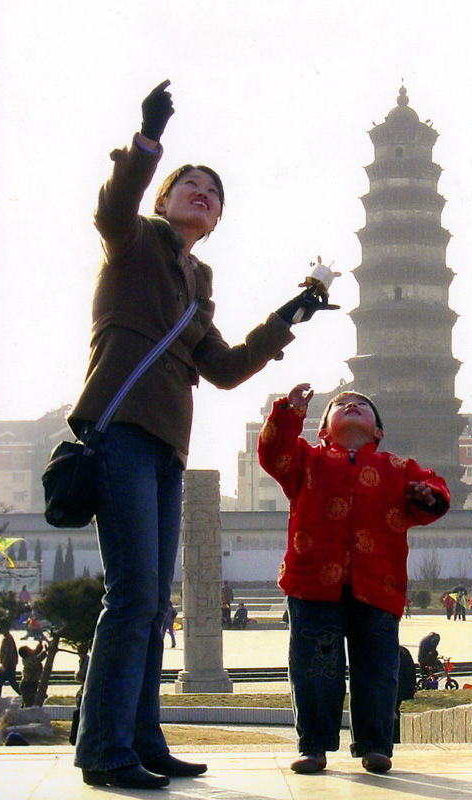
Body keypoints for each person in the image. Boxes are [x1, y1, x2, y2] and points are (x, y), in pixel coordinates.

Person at [69, 82, 331, 791]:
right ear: (163, 199)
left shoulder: (194, 283)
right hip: (120, 429)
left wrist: (289, 315)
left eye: (214, 192)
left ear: (215, 223)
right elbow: (110, 206)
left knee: (154, 606)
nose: (202, 192)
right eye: (189, 183)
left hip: (165, 447)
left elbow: (221, 368)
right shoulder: (134, 242)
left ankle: (142, 738)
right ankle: (103, 750)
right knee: (131, 597)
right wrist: (148, 139)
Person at [258, 384, 449, 774]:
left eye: (361, 405)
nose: (351, 406)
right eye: (341, 404)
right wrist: (287, 412)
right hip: (312, 585)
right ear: (324, 429)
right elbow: (272, 455)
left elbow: (433, 492)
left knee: (377, 670)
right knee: (313, 670)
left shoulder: (398, 470)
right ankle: (313, 744)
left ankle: (376, 743)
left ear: (377, 431)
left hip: (378, 585)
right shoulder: (306, 460)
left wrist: (426, 496)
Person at [0, 628, 21, 699]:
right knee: (13, 683)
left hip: (8, 666)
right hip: (10, 665)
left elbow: (8, 653)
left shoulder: (7, 639)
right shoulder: (8, 638)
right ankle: (24, 695)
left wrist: (4, 665)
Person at [18, 643, 47, 707]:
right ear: (27, 653)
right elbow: (37, 659)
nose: (32, 650)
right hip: (27, 684)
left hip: (31, 683)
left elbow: (35, 652)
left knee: (30, 701)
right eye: (29, 649)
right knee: (29, 702)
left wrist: (40, 646)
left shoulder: (30, 657)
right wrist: (45, 652)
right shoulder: (28, 660)